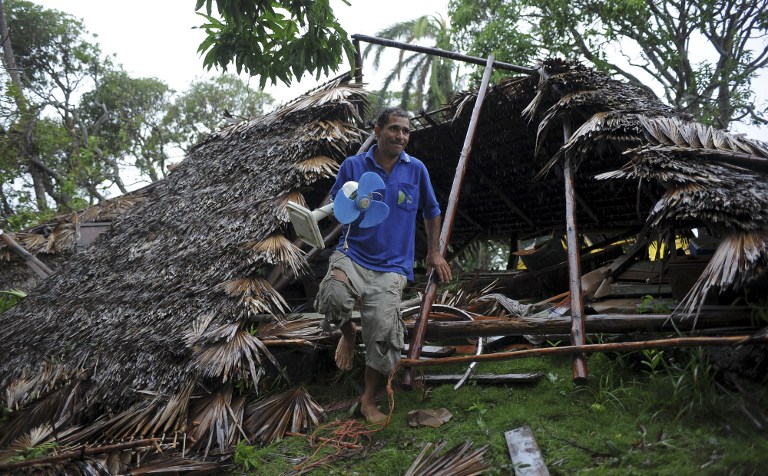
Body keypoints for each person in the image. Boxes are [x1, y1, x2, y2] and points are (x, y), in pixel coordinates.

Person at [314, 107, 452, 423]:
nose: (400, 136)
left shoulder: (416, 170)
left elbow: (432, 211)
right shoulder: (352, 166)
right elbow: (337, 209)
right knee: (333, 296)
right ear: (377, 131)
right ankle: (348, 333)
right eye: (394, 129)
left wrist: (434, 252)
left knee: (383, 329)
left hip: (393, 266)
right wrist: (354, 201)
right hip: (353, 254)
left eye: (405, 131)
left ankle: (367, 400)